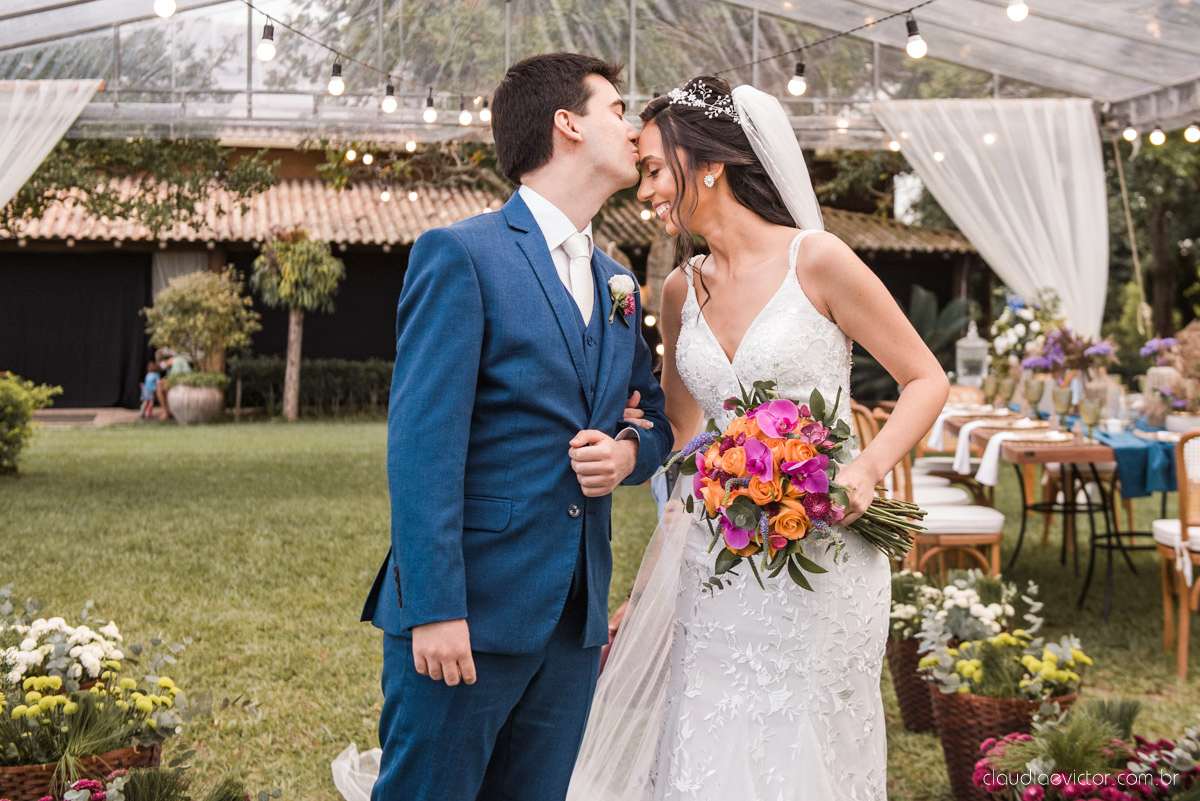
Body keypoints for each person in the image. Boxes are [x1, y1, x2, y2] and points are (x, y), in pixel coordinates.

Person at [567, 77, 948, 800]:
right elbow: (687, 440)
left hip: (825, 558)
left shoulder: (819, 260)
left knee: (803, 747)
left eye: (654, 169)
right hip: (719, 562)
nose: (645, 190)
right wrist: (653, 578)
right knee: (707, 740)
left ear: (707, 162)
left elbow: (925, 378)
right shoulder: (678, 291)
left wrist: (865, 467)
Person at [358, 53, 673, 801]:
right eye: (617, 110)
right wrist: (435, 607)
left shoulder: (618, 279)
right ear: (568, 124)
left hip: (573, 625)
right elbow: (422, 445)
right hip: (465, 616)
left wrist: (628, 454)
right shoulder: (462, 254)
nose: (633, 129)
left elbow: (656, 418)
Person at [155, 351, 191, 421]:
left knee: (165, 386)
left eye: (161, 364)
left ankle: (171, 411)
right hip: (176, 385)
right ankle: (165, 411)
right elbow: (169, 377)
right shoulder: (169, 367)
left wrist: (164, 381)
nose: (162, 366)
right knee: (159, 385)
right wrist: (163, 380)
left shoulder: (177, 361)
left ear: (165, 361)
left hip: (185, 384)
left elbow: (176, 378)